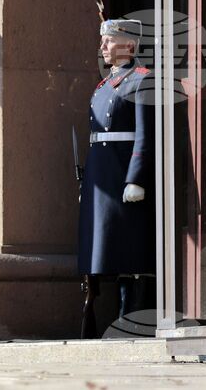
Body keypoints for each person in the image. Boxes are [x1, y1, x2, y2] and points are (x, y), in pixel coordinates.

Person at [78, 18, 155, 335]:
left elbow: (145, 134)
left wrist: (136, 176)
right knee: (104, 250)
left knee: (129, 250)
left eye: (108, 40)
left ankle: (132, 317)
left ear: (129, 44)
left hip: (123, 173)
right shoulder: (102, 85)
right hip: (102, 174)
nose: (103, 46)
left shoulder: (142, 80)